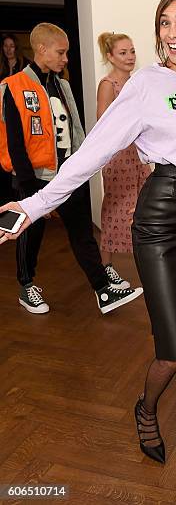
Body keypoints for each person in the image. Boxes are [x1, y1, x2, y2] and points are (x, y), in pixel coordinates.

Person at [0, 0, 176, 464]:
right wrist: (35, 205)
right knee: (173, 345)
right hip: (161, 223)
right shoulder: (144, 85)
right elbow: (91, 152)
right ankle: (145, 410)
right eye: (164, 22)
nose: (172, 32)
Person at [0, 23, 140, 314]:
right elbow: (14, 141)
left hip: (66, 175)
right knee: (31, 233)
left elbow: (75, 131)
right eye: (61, 53)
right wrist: (28, 187)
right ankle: (27, 286)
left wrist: (81, 169)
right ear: (41, 49)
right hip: (33, 178)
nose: (65, 59)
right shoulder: (13, 86)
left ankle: (103, 291)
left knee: (82, 233)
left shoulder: (62, 85)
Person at [96, 32, 151, 288]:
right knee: (114, 212)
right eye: (123, 53)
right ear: (110, 57)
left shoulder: (136, 82)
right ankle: (105, 270)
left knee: (142, 210)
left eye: (132, 51)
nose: (130, 57)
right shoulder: (108, 85)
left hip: (139, 155)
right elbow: (103, 126)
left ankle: (147, 262)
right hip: (119, 158)